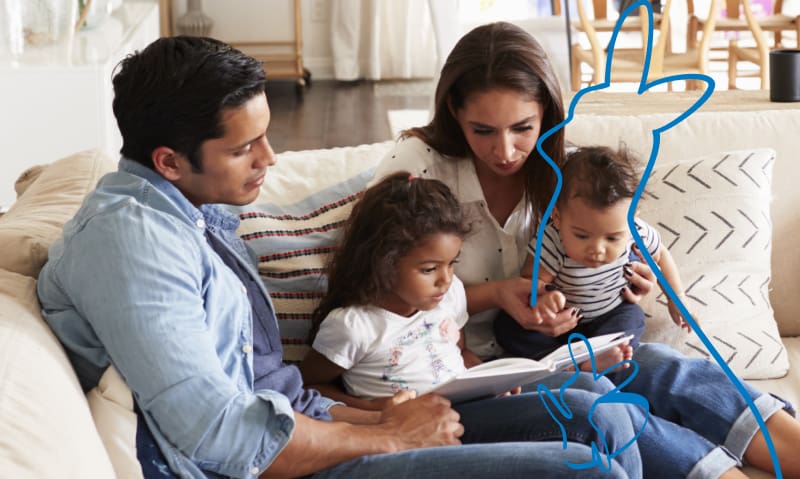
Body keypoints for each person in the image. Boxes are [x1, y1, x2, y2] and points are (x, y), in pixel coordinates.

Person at [36, 36, 645, 479]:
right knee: (585, 465)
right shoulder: (133, 245)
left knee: (600, 413)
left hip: (321, 420)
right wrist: (381, 436)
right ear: (169, 160)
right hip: (292, 460)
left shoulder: (190, 213)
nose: (270, 159)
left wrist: (377, 414)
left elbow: (275, 388)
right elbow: (218, 434)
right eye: (246, 147)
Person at [372, 20, 800, 478]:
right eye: (483, 130)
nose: (506, 151)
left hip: (556, 348)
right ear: (454, 110)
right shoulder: (418, 167)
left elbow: (620, 241)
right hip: (462, 372)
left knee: (661, 366)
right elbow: (376, 290)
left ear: (545, 115)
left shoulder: (566, 173)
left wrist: (635, 280)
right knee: (603, 402)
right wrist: (497, 294)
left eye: (523, 128)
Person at [494, 145, 693, 360]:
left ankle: (600, 357)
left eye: (612, 238)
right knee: (507, 326)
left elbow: (660, 256)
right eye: (582, 236)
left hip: (610, 314)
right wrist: (543, 301)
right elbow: (531, 281)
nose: (597, 250)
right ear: (557, 217)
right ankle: (563, 360)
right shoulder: (552, 240)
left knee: (632, 318)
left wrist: (677, 297)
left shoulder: (636, 231)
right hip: (560, 325)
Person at [300, 172, 474, 403]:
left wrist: (493, 383)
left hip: (470, 407)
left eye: (452, 263)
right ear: (384, 263)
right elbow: (308, 385)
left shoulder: (450, 295)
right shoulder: (354, 327)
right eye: (429, 269)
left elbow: (459, 352)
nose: (446, 279)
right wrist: (375, 410)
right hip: (421, 430)